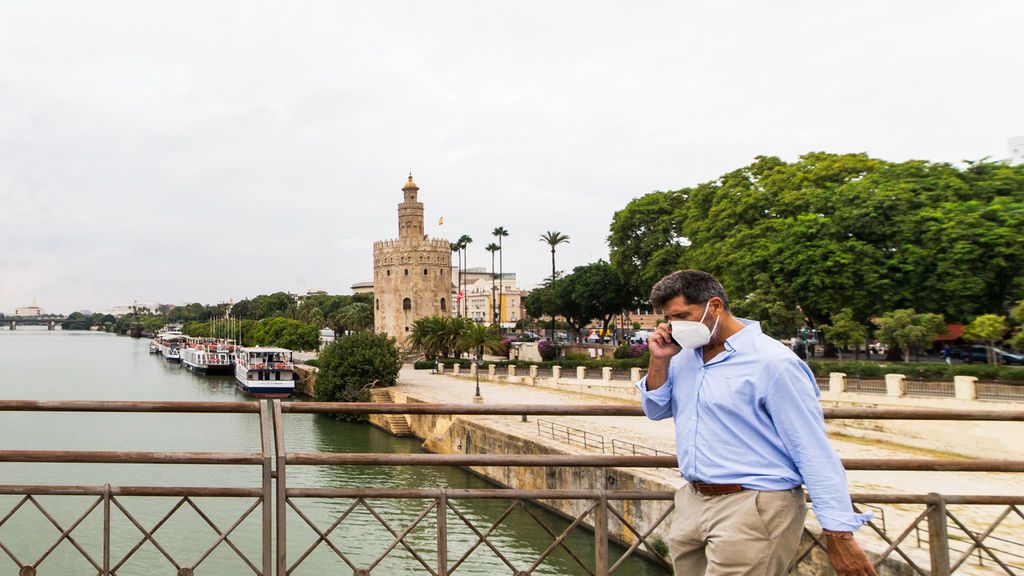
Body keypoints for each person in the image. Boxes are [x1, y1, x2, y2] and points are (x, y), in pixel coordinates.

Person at [636, 270, 876, 576]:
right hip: (694, 500)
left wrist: (838, 532)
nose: (676, 326)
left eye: (684, 315)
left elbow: (812, 449)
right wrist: (659, 360)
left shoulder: (773, 362)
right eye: (671, 319)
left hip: (754, 504)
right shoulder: (684, 357)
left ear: (715, 306)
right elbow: (655, 410)